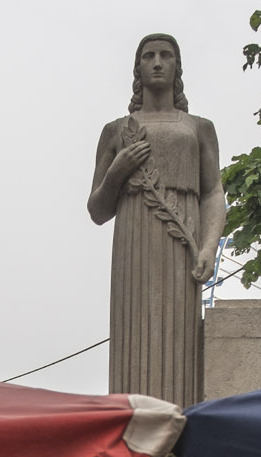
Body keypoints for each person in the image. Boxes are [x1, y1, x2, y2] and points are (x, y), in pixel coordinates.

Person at [87, 34, 224, 407]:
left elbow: (213, 192)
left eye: (166, 55)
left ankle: (178, 424)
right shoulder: (116, 131)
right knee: (135, 333)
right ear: (138, 68)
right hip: (134, 242)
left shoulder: (199, 127)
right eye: (149, 56)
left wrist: (210, 248)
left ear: (178, 66)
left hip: (182, 244)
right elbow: (97, 210)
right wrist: (118, 172)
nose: (158, 61)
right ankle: (132, 423)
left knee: (178, 332)